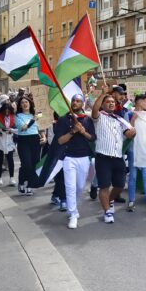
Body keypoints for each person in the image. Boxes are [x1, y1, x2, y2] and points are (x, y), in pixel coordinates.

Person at [91, 88, 136, 224]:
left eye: (112, 102)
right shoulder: (98, 117)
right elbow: (94, 110)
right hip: (103, 157)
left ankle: (109, 201)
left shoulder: (119, 119)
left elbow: (128, 134)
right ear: (103, 104)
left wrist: (133, 130)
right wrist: (103, 93)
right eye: (108, 102)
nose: (111, 103)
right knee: (104, 186)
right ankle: (107, 211)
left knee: (120, 185)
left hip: (118, 157)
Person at [54, 94, 95, 229]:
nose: (75, 103)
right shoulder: (63, 120)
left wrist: (83, 132)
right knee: (70, 187)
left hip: (83, 157)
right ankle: (72, 213)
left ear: (83, 104)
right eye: (73, 101)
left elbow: (92, 138)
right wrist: (73, 131)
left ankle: (74, 207)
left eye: (78, 101)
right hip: (68, 158)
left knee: (80, 187)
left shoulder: (87, 120)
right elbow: (60, 140)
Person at [15, 97, 41, 195]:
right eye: (22, 103)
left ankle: (30, 185)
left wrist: (43, 136)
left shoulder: (36, 114)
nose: (25, 104)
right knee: (26, 164)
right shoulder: (18, 116)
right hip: (23, 140)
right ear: (20, 105)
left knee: (34, 163)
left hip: (35, 139)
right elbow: (24, 128)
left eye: (26, 102)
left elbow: (41, 127)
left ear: (30, 103)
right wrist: (33, 120)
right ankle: (21, 181)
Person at [0, 100, 17, 186]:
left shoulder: (14, 117)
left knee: (10, 160)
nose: (7, 111)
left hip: (9, 141)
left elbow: (18, 129)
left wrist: (12, 131)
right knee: (0, 159)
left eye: (9, 110)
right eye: (5, 109)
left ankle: (12, 178)